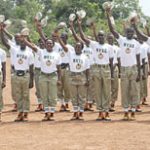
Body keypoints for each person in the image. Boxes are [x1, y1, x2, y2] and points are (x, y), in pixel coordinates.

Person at [106, 9, 141, 120]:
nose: (130, 34)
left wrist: (139, 73)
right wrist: (108, 15)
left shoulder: (136, 43)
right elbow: (112, 30)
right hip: (124, 69)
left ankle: (133, 111)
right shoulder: (121, 40)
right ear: (126, 33)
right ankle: (126, 111)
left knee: (134, 90)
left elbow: (138, 58)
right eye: (128, 32)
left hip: (134, 68)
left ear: (133, 33)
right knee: (125, 90)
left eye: (131, 33)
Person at [77, 18, 114, 121]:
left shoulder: (109, 47)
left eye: (102, 35)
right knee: (98, 91)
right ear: (97, 37)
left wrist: (112, 74)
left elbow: (111, 61)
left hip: (106, 69)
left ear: (105, 37)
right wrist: (79, 25)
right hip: (96, 69)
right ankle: (100, 112)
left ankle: (106, 112)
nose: (101, 37)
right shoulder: (94, 44)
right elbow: (83, 37)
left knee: (106, 91)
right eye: (99, 35)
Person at [24, 38, 62, 121]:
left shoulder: (57, 54)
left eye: (50, 43)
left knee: (52, 95)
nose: (49, 45)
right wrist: (25, 39)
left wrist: (59, 79)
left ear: (53, 45)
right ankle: (46, 113)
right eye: (47, 43)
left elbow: (59, 69)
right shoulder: (41, 52)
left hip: (53, 76)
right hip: (43, 76)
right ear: (45, 45)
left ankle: (51, 113)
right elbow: (32, 47)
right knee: (44, 95)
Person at [1, 28, 34, 121]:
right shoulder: (14, 50)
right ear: (19, 42)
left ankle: (26, 112)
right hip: (16, 74)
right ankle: (20, 112)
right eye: (21, 41)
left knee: (25, 95)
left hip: (25, 75)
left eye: (24, 41)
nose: (23, 43)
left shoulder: (29, 53)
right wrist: (1, 31)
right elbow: (4, 42)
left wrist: (31, 80)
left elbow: (31, 69)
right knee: (18, 95)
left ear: (26, 42)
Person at [69, 20, 95, 111]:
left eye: (89, 38)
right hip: (82, 68)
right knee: (83, 87)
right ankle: (83, 105)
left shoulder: (93, 46)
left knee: (90, 87)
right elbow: (76, 36)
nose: (87, 39)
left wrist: (93, 29)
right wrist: (73, 27)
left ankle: (89, 103)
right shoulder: (81, 47)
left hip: (91, 67)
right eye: (85, 38)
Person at [1, 24, 21, 111]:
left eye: (18, 37)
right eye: (15, 38)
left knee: (22, 88)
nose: (17, 39)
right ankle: (16, 103)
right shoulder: (12, 46)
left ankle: (22, 104)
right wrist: (2, 31)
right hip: (14, 69)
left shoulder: (26, 47)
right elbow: (4, 41)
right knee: (14, 88)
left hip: (24, 70)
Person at [107, 33, 120, 112]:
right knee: (107, 87)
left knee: (115, 86)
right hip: (107, 68)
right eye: (109, 38)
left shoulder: (117, 48)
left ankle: (113, 102)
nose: (110, 40)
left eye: (111, 38)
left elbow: (119, 60)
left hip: (115, 68)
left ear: (113, 39)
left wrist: (120, 72)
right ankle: (107, 103)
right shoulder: (105, 47)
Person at [34, 38, 45, 112]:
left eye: (43, 42)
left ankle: (45, 104)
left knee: (44, 88)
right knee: (38, 88)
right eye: (40, 42)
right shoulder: (36, 50)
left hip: (44, 71)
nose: (41, 43)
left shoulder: (47, 51)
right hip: (37, 71)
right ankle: (40, 103)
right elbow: (30, 43)